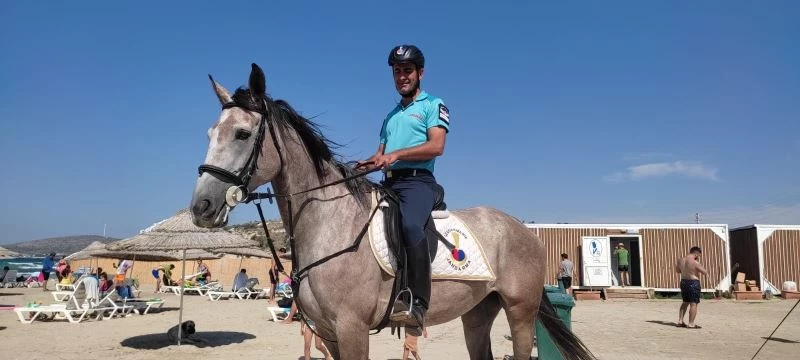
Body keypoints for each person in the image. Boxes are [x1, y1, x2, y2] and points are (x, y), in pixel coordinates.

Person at [357, 44, 450, 335]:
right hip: (390, 183)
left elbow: (437, 146)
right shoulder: (389, 117)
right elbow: (380, 156)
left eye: (407, 70)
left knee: (411, 225)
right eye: (397, 72)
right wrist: (363, 166)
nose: (402, 77)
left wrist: (396, 156)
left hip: (418, 182)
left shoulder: (434, 105)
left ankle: (418, 302)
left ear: (420, 73)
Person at [675, 246, 707, 329]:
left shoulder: (680, 260)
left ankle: (680, 321)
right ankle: (691, 323)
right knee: (693, 303)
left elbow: (678, 271)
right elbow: (704, 272)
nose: (698, 257)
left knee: (685, 302)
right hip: (693, 282)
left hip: (684, 281)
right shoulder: (695, 262)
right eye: (699, 255)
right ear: (696, 253)